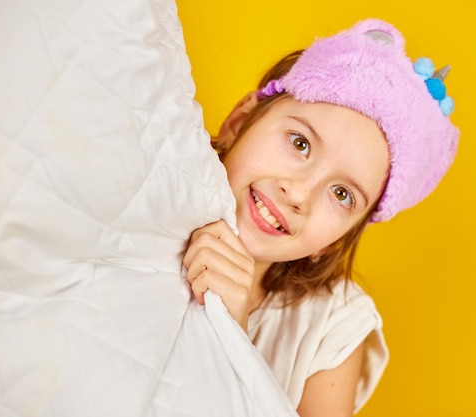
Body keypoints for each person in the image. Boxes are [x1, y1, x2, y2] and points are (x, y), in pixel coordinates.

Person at [182, 18, 460, 417]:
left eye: (342, 194)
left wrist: (232, 334)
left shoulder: (335, 324)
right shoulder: (152, 192)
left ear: (336, 239)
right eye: (300, 143)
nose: (298, 194)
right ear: (239, 122)